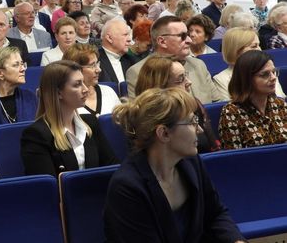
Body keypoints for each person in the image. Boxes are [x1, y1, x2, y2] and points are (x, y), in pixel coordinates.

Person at [104, 87, 245, 242]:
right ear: (164, 133)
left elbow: (215, 213)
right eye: (192, 122)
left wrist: (235, 240)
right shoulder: (127, 187)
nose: (199, 129)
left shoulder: (192, 162)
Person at [20, 60, 119, 177]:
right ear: (58, 93)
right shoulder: (36, 134)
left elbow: (112, 166)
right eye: (77, 84)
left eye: (83, 82)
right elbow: (47, 188)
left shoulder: (90, 122)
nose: (85, 89)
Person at [134, 55, 220, 152]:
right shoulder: (143, 120)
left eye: (186, 75)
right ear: (160, 86)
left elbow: (212, 147)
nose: (189, 82)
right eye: (181, 79)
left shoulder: (194, 104)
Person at [125, 16, 220, 103]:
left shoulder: (199, 65)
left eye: (188, 35)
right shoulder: (138, 72)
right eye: (182, 36)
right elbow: (142, 116)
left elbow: (217, 103)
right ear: (162, 41)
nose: (189, 40)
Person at [219, 50, 287, 150]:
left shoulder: (280, 104)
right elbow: (233, 158)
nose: (273, 78)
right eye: (265, 74)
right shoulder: (232, 112)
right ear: (247, 79)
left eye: (273, 72)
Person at [213, 27, 284, 101]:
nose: (259, 50)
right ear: (236, 50)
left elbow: (280, 98)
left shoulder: (269, 70)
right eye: (254, 46)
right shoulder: (221, 79)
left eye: (259, 45)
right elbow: (231, 107)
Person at [63, 44, 120, 116]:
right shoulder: (68, 101)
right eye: (92, 65)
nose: (99, 70)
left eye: (97, 64)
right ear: (76, 69)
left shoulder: (109, 91)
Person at [97, 19, 137, 83]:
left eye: (129, 35)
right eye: (125, 35)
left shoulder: (131, 60)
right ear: (109, 38)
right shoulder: (94, 60)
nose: (129, 39)